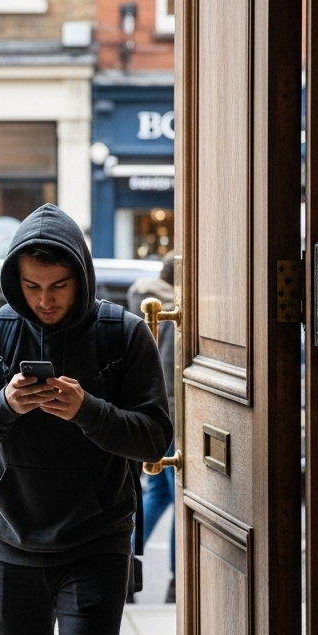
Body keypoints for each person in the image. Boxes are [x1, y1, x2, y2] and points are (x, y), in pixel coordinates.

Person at [0, 204, 172, 635]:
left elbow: (156, 436)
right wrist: (4, 404)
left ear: (82, 277)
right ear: (15, 282)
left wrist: (87, 409)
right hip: (12, 541)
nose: (45, 300)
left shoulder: (124, 334)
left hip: (98, 540)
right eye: (31, 287)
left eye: (58, 286)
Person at [126, 252, 178, 604]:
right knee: (181, 498)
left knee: (157, 493)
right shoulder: (176, 312)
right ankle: (179, 579)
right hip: (174, 415)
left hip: (151, 411)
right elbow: (174, 374)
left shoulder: (147, 304)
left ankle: (125, 569)